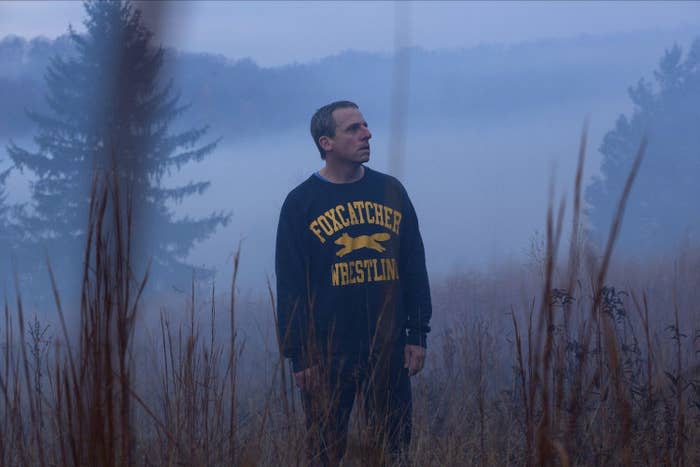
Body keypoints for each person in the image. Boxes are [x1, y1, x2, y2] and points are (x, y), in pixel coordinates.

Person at [275, 100, 432, 466]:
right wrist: (299, 355)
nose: (368, 133)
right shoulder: (301, 204)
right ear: (326, 142)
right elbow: (291, 286)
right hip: (327, 355)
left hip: (388, 347)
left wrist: (417, 335)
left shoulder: (391, 191)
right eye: (354, 128)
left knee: (393, 449)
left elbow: (413, 268)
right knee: (324, 452)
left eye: (365, 125)